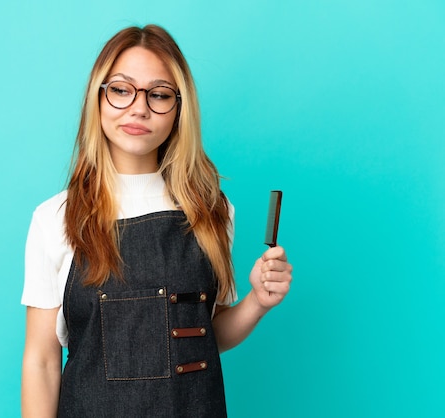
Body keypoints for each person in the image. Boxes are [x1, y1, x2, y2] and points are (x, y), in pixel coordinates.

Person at [20, 24, 292, 417]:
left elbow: (203, 337)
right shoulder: (55, 219)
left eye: (159, 94)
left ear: (179, 110)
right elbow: (42, 361)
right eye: (121, 89)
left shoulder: (213, 211)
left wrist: (258, 303)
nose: (139, 107)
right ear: (98, 98)